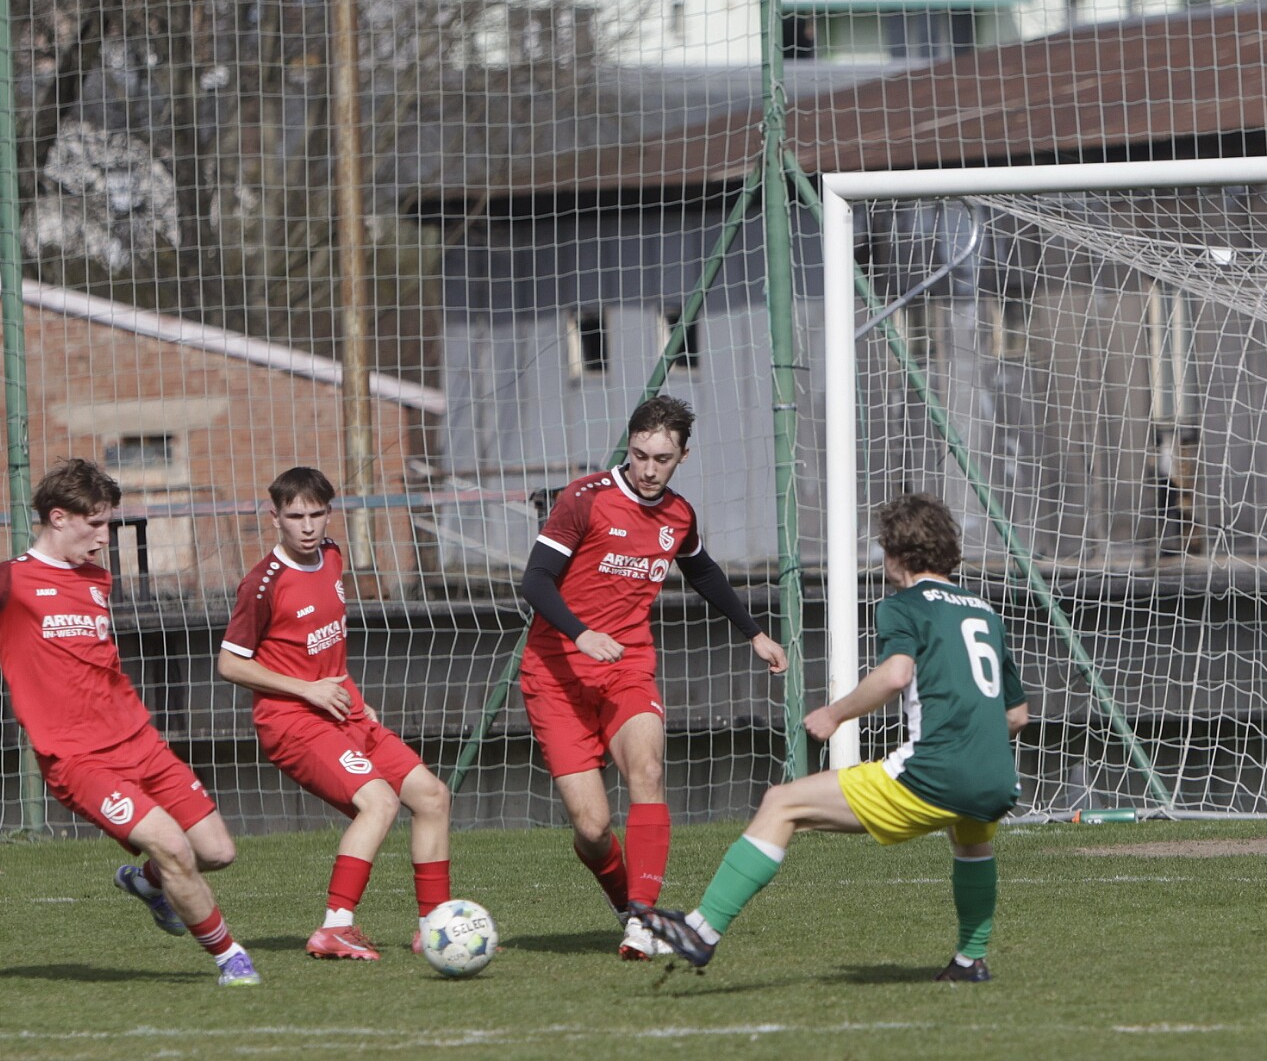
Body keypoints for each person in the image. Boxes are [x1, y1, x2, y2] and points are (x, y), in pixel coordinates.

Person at [0, 459, 259, 984]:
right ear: (58, 518)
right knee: (173, 846)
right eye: (96, 524)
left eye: (109, 524)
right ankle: (230, 958)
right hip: (77, 758)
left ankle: (149, 884)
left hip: (138, 740)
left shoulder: (96, 578)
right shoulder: (11, 579)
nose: (105, 537)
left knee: (216, 852)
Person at [643, 492, 1029, 981]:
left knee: (781, 803)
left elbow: (895, 674)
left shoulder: (904, 606)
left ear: (897, 554)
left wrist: (834, 714)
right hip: (996, 779)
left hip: (936, 773)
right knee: (970, 841)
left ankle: (702, 930)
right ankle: (971, 961)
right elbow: (1016, 715)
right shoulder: (984, 613)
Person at [519, 396, 788, 957]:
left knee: (647, 769)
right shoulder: (585, 499)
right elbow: (536, 579)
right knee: (592, 828)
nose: (648, 469)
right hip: (556, 675)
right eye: (640, 455)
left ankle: (642, 920)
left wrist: (754, 633)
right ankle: (626, 902)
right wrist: (580, 634)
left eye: (661, 459)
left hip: (627, 667)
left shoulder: (678, 515)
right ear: (630, 446)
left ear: (682, 456)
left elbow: (703, 571)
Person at [217, 467, 454, 960]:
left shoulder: (331, 556)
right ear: (275, 517)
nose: (307, 527)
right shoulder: (261, 585)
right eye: (294, 517)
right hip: (292, 723)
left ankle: (434, 929)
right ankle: (335, 928)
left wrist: (353, 696)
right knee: (380, 802)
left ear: (329, 513)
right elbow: (230, 664)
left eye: (316, 514)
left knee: (432, 796)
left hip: (344, 713)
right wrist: (308, 690)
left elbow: (326, 648)